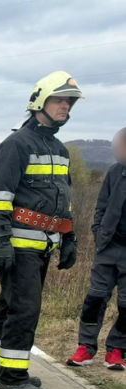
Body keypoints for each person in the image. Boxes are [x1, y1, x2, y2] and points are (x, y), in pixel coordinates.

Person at [0, 71, 83, 389]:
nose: (65, 107)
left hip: (44, 245)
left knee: (11, 305)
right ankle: (13, 377)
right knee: (25, 309)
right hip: (17, 244)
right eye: (59, 100)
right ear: (39, 101)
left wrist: (69, 238)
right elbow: (0, 196)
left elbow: (64, 198)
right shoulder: (15, 145)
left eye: (69, 102)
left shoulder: (60, 149)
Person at [66, 128, 126, 372]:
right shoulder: (115, 172)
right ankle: (86, 348)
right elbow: (101, 206)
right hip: (108, 247)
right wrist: (98, 234)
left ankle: (116, 350)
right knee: (95, 299)